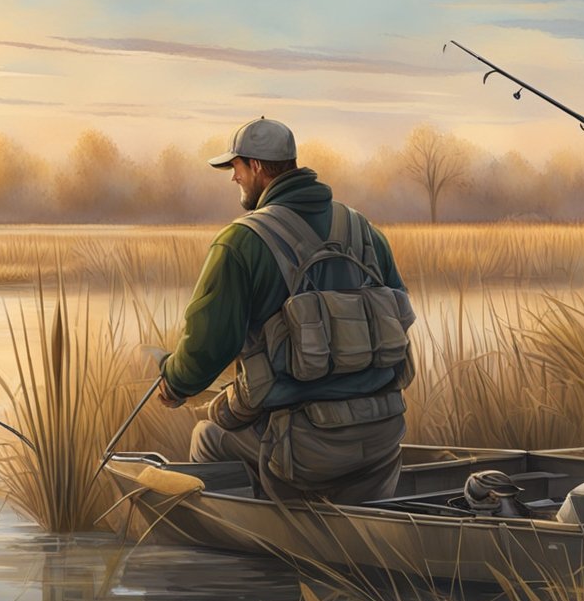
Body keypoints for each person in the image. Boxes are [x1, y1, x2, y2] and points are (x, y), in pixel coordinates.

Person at [156, 117, 415, 504]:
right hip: (382, 442)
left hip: (303, 456)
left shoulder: (241, 241)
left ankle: (253, 540)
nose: (233, 178)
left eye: (236, 166)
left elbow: (205, 349)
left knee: (207, 438)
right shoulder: (364, 231)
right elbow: (402, 316)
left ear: (257, 167)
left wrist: (174, 383)